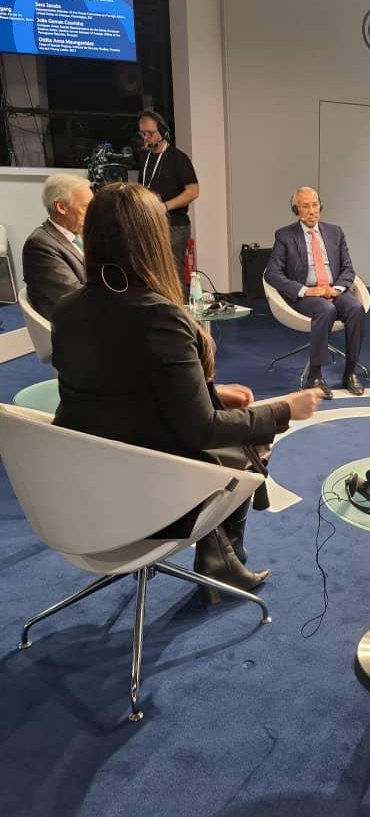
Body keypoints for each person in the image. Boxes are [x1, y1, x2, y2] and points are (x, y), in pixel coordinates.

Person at [51, 183, 322, 599]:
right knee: (252, 438)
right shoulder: (160, 317)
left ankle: (219, 556)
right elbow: (202, 430)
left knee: (237, 423)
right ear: (151, 241)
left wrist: (208, 391)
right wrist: (285, 408)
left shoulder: (67, 311)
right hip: (150, 492)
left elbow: (120, 387)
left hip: (79, 486)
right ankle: (221, 556)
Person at [264, 187, 366, 399]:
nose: (312, 211)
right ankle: (315, 376)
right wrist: (307, 291)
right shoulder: (285, 235)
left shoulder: (335, 232)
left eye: (315, 205)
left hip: (333, 289)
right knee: (326, 309)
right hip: (306, 295)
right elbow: (272, 273)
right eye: (305, 206)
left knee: (356, 308)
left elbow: (348, 269)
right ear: (296, 210)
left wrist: (336, 289)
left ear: (321, 206)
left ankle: (350, 372)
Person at [137, 110, 198, 289]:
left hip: (174, 226)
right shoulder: (145, 157)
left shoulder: (178, 158)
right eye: (143, 133)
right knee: (151, 272)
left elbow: (193, 191)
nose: (146, 138)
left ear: (163, 131)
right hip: (150, 224)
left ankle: (176, 305)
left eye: (150, 133)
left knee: (171, 273)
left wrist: (165, 206)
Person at [22, 173, 93, 319]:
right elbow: (76, 302)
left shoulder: (79, 234)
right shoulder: (40, 246)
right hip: (78, 326)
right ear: (61, 207)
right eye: (87, 207)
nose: (93, 214)